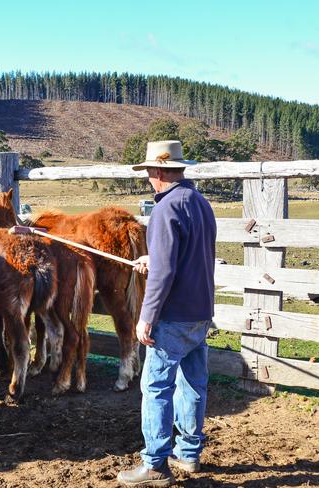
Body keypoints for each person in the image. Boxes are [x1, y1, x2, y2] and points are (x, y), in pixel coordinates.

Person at [117, 140, 217, 487]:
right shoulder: (200, 203)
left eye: (148, 172)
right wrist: (154, 259)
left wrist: (147, 316)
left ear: (157, 172)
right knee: (193, 383)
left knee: (156, 387)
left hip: (173, 315)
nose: (148, 178)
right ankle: (189, 453)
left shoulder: (164, 209)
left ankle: (155, 464)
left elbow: (164, 273)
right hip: (200, 310)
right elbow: (183, 257)